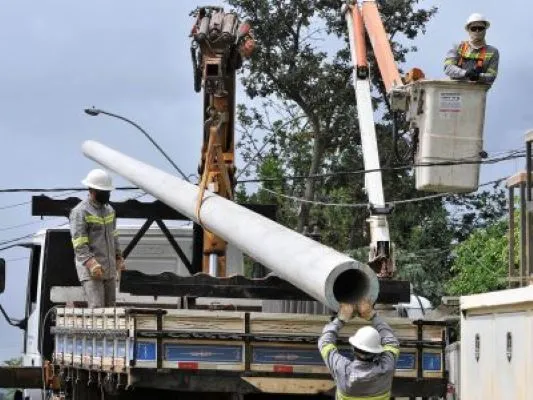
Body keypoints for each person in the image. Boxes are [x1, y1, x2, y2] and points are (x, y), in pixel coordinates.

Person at [318, 299, 400, 400]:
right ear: (377, 352)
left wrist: (341, 319)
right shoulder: (386, 368)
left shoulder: (342, 370)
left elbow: (325, 342)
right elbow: (391, 341)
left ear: (353, 348)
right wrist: (373, 316)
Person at [69, 169, 126, 308]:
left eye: (108, 191)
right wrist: (91, 264)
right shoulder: (80, 212)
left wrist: (119, 257)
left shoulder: (110, 210)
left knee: (110, 310)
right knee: (97, 310)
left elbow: (114, 236)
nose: (107, 194)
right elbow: (80, 245)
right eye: (104, 191)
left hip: (109, 269)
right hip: (91, 271)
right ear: (91, 190)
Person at [444, 13, 499, 85]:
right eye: (473, 28)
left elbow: (492, 76)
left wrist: (478, 76)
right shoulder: (457, 47)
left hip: (477, 93)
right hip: (456, 90)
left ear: (485, 30)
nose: (477, 31)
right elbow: (448, 68)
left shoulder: (492, 51)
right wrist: (465, 73)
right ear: (468, 30)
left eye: (480, 28)